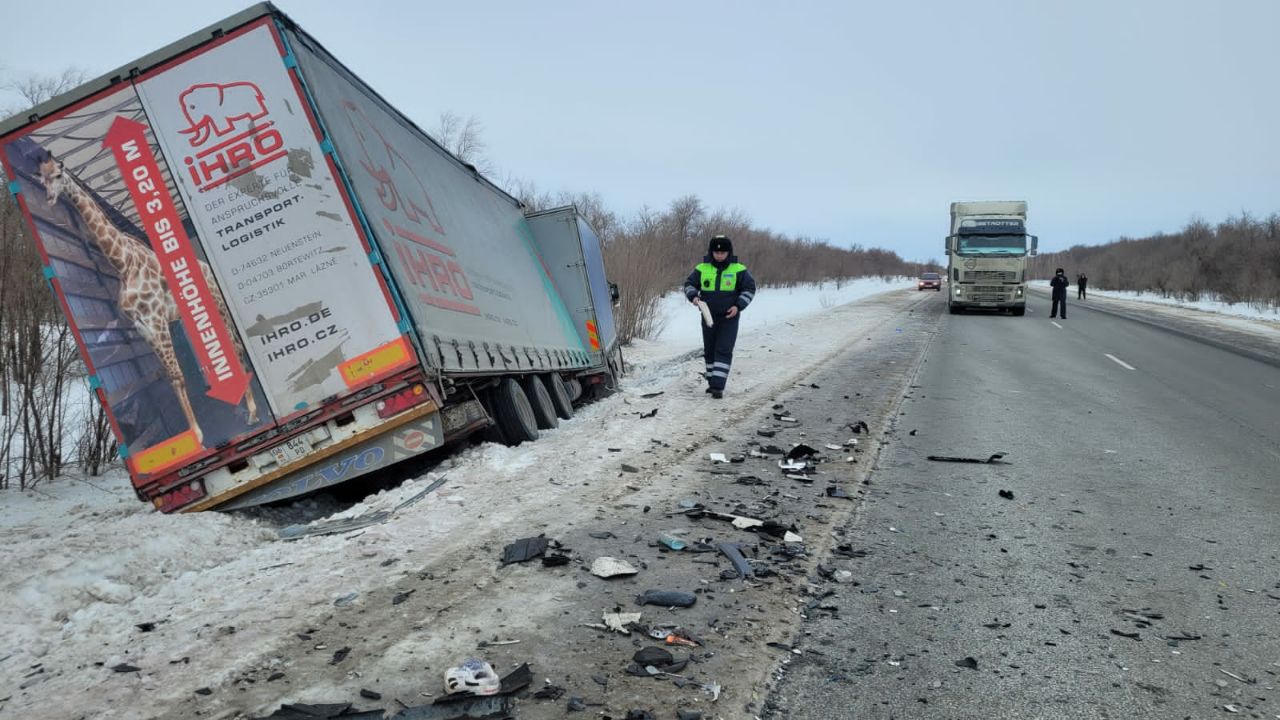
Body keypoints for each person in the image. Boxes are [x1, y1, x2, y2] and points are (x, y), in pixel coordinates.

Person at [684, 234, 756, 398]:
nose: (719, 255)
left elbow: (749, 289)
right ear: (711, 252)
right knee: (710, 351)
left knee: (723, 349)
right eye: (716, 253)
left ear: (729, 253)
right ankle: (712, 382)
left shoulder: (739, 270)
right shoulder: (702, 268)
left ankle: (718, 386)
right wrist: (694, 297)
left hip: (729, 318)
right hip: (708, 317)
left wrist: (738, 306)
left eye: (723, 252)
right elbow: (689, 284)